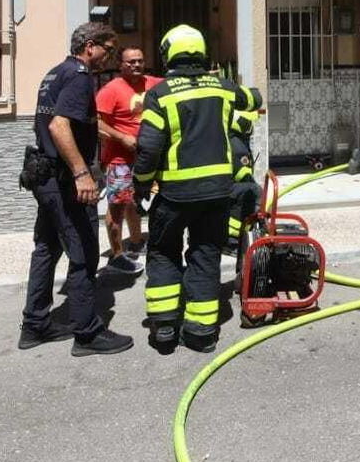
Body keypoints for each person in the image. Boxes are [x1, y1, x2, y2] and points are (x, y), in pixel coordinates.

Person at [132, 25, 262, 353]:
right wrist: (226, 87)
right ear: (202, 53)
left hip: (174, 195)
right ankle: (201, 332)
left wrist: (141, 186)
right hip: (217, 193)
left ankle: (164, 327)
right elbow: (255, 98)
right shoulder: (222, 88)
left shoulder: (159, 94)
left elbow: (148, 149)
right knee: (206, 255)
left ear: (168, 54)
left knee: (163, 252)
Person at [20, 21, 133, 356]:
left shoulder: (55, 73)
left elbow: (66, 121)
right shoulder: (80, 77)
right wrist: (82, 173)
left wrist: (115, 137)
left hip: (45, 176)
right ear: (90, 46)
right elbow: (59, 125)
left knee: (46, 248)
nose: (109, 57)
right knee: (83, 252)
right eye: (108, 50)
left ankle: (35, 324)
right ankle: (87, 333)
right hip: (64, 180)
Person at [95, 46, 159, 276]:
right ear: (121, 64)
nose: (136, 65)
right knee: (119, 205)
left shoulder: (154, 83)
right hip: (119, 160)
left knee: (136, 202)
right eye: (130, 62)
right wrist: (121, 137)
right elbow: (95, 122)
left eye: (139, 61)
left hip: (147, 158)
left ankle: (136, 241)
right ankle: (117, 254)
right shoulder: (110, 90)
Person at [225, 109, 262, 279]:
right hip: (229, 189)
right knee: (253, 192)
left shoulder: (232, 137)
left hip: (222, 187)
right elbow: (241, 173)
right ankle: (233, 241)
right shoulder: (237, 143)